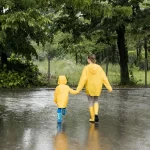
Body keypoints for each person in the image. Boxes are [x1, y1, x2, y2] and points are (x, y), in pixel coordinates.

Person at [77, 54, 112, 123]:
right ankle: (96, 114)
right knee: (96, 100)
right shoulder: (99, 67)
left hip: (89, 87)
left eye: (87, 59)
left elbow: (83, 79)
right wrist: (109, 87)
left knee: (90, 102)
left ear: (89, 59)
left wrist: (78, 89)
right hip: (97, 87)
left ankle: (92, 118)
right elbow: (104, 78)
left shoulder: (86, 68)